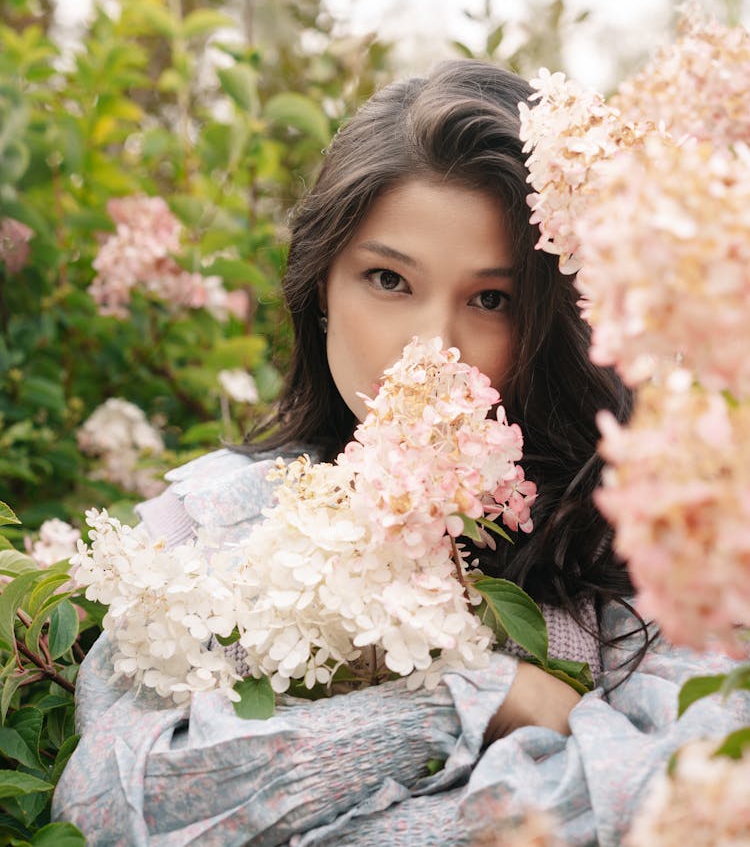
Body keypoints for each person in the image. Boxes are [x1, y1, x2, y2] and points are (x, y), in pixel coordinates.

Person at [54, 61, 750, 845]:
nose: (432, 349)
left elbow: (684, 805)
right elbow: (114, 807)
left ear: (549, 322)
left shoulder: (647, 547)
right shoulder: (207, 521)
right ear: (322, 286)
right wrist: (472, 700)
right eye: (388, 279)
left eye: (492, 300)